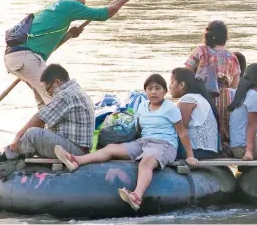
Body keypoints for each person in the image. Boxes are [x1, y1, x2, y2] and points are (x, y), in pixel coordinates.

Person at [53, 74, 198, 211]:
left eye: (157, 88)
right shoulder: (142, 106)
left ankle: (136, 196)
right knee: (110, 148)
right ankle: (76, 160)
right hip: (143, 142)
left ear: (165, 91)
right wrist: (130, 146)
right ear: (145, 91)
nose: (153, 92)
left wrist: (190, 156)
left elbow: (182, 132)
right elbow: (139, 130)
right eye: (150, 88)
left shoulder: (170, 108)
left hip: (164, 144)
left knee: (146, 162)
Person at [5, 0, 135, 109]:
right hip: (26, 56)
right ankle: (60, 129)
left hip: (14, 57)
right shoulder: (69, 5)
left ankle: (43, 129)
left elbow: (48, 37)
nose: (83, 2)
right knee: (57, 99)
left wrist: (69, 34)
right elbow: (103, 14)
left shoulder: (56, 6)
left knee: (45, 104)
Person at [0, 64, 95, 177]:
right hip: (78, 148)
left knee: (32, 133)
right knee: (38, 131)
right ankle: (17, 156)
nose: (49, 93)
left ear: (57, 82)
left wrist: (18, 136)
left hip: (73, 150)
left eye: (48, 89)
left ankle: (8, 156)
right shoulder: (76, 91)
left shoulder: (66, 95)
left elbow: (39, 118)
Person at [185, 20, 241, 142]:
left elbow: (186, 73)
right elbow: (234, 86)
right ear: (225, 37)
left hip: (202, 95)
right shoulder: (232, 57)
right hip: (225, 97)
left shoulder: (200, 50)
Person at [170, 68, 221, 159]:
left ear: (182, 85)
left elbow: (180, 128)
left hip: (197, 151)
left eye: (172, 82)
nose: (170, 86)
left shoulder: (187, 99)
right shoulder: (200, 97)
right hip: (209, 151)